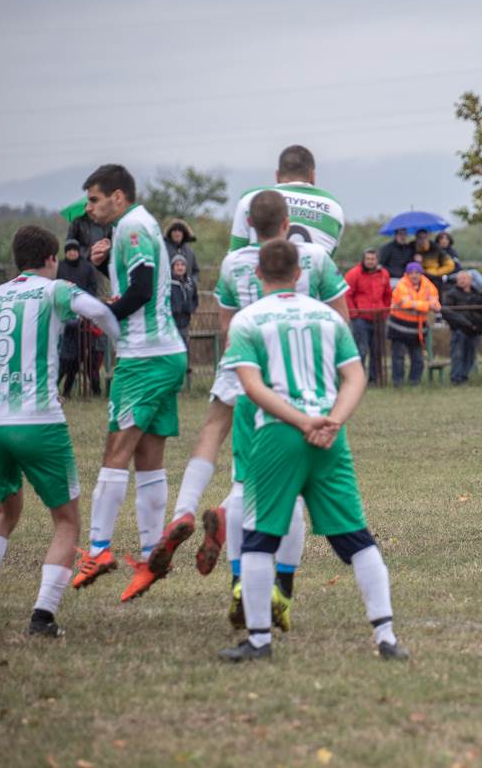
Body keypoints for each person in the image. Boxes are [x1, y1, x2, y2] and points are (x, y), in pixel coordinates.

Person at [148, 188, 349, 633]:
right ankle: (282, 588)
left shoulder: (234, 264)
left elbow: (225, 326)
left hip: (240, 364)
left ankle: (188, 513)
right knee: (288, 484)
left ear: (247, 227)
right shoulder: (312, 258)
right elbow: (339, 318)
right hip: (291, 374)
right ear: (285, 225)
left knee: (221, 448)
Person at [217, 237, 409, 662]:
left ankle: (259, 642)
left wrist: (300, 422)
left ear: (259, 274)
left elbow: (250, 387)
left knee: (258, 540)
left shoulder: (247, 320)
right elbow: (356, 377)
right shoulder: (329, 318)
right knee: (356, 538)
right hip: (329, 435)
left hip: (277, 435)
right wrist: (332, 421)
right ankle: (387, 637)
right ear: (301, 275)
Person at [0, 225, 119, 638]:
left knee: (6, 512)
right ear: (52, 259)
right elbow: (100, 312)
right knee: (66, 522)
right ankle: (42, 615)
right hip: (38, 419)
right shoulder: (54, 290)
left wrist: (5, 375)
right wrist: (127, 351)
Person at [71, 164, 188, 601]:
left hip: (144, 357)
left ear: (118, 196)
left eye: (94, 199)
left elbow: (140, 291)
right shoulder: (132, 228)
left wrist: (101, 315)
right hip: (164, 353)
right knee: (148, 457)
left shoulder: (133, 227)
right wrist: (103, 271)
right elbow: (139, 287)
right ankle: (150, 552)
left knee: (114, 453)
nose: (89, 208)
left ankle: (99, 549)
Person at [229, 145, 345, 256]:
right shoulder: (334, 207)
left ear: (277, 175)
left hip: (262, 275)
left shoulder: (252, 198)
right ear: (312, 176)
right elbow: (327, 261)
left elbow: (236, 256)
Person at [55, 239, 101, 398]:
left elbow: (93, 287)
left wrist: (85, 303)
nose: (72, 253)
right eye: (69, 250)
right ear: (65, 252)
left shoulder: (87, 267)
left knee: (80, 357)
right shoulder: (59, 267)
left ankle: (71, 391)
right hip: (63, 316)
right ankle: (54, 388)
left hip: (83, 316)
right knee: (64, 359)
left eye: (74, 250)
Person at [386, 262, 440, 387]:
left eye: (417, 273)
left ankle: (415, 383)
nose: (414, 275)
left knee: (418, 358)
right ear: (407, 274)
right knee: (398, 357)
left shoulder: (427, 285)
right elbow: (406, 303)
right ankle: (398, 383)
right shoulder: (401, 285)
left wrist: (426, 305)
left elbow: (435, 302)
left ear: (421, 274)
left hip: (417, 328)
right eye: (411, 273)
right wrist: (426, 306)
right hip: (399, 327)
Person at [344, 248, 392, 384]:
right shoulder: (354, 274)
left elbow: (388, 294)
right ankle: (358, 380)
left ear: (377, 260)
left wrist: (385, 311)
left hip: (379, 317)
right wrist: (354, 313)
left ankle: (374, 379)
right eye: (368, 259)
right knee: (361, 350)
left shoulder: (384, 274)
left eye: (373, 259)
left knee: (377, 350)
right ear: (363, 260)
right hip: (361, 318)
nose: (371, 262)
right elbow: (347, 295)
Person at [442, 271, 482, 385]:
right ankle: (456, 378)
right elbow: (447, 312)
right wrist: (462, 323)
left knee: (470, 355)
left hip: (474, 330)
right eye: (460, 278)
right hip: (459, 330)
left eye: (465, 278)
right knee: (457, 354)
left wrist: (479, 327)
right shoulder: (451, 294)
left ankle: (464, 376)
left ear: (470, 280)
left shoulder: (477, 294)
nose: (462, 280)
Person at [170, 255, 199, 347]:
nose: (180, 267)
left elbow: (195, 298)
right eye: (177, 265)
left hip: (185, 321)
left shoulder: (190, 283)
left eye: (182, 265)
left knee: (184, 346)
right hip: (171, 321)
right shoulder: (168, 282)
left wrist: (191, 308)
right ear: (173, 267)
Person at [163, 218, 200, 286]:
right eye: (174, 231)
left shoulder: (189, 251)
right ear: (170, 233)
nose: (177, 233)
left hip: (187, 290)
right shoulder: (163, 249)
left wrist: (193, 283)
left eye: (180, 230)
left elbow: (195, 271)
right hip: (168, 288)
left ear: (184, 233)